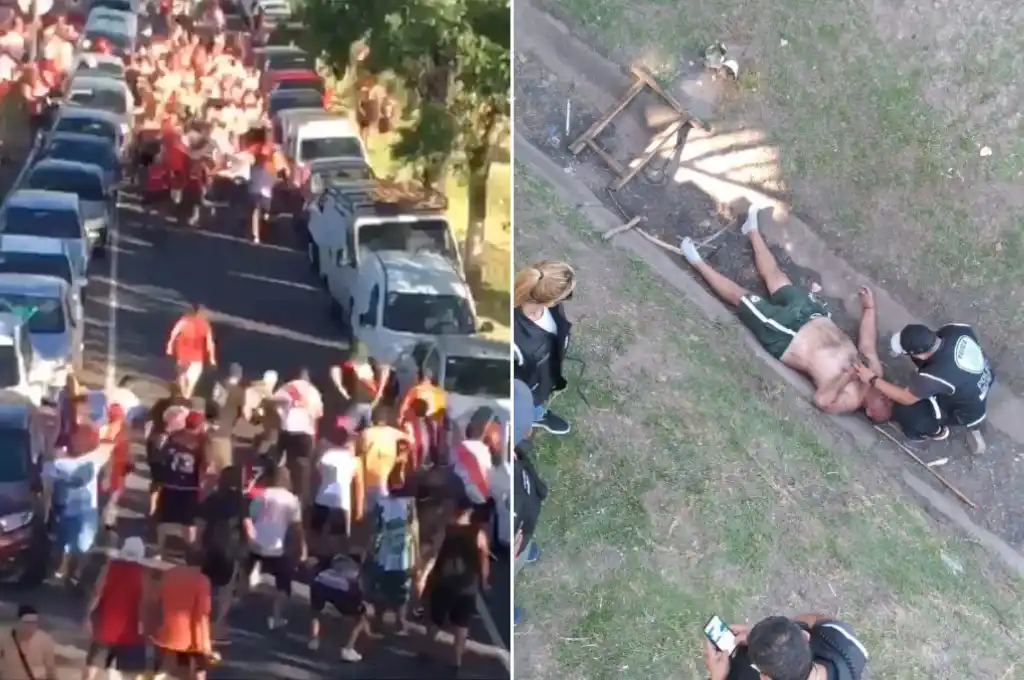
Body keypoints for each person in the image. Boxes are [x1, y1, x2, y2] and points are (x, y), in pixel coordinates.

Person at [680, 205, 893, 421]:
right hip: (811, 314)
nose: (887, 398)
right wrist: (869, 309)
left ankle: (696, 262)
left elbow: (822, 401)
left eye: (884, 404)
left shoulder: (851, 400)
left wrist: (847, 377)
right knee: (777, 277)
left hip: (787, 336)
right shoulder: (876, 371)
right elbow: (867, 344)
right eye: (889, 399)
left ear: (870, 412)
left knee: (741, 298)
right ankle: (751, 231)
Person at [853, 323, 994, 454]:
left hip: (965, 412)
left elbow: (906, 398)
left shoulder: (937, 375)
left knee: (906, 411)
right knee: (929, 383)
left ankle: (935, 431)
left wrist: (872, 379)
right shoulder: (956, 329)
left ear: (919, 353)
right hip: (982, 377)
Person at [417, 493, 490, 669]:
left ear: (456, 509)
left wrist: (423, 573)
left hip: (444, 583)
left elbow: (434, 553)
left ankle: (427, 650)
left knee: (435, 619)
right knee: (461, 624)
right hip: (467, 585)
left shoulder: (445, 530)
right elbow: (484, 558)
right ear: (470, 511)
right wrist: (485, 581)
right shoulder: (478, 533)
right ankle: (456, 660)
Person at [42, 397, 109, 584]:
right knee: (65, 545)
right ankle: (64, 572)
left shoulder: (88, 462)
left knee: (79, 546)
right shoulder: (59, 463)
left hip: (83, 512)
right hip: (67, 511)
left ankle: (73, 574)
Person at [704, 613, 868, 680]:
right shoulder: (848, 646)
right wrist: (768, 639)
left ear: (765, 678)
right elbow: (816, 619)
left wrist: (717, 677)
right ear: (804, 635)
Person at [513, 260, 575, 435]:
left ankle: (537, 413)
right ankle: (530, 417)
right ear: (549, 301)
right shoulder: (512, 338)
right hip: (526, 388)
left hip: (542, 378)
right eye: (567, 296)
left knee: (535, 403)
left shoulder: (550, 309)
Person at [244, 465, 307, 630]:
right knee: (283, 584)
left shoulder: (261, 495)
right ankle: (276, 616)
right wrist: (301, 547)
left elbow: (250, 517)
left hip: (256, 543)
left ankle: (240, 600)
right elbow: (296, 528)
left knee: (246, 571)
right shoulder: (292, 500)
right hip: (278, 547)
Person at [83, 536, 150, 680]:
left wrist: (88, 616)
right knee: (130, 674)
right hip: (130, 631)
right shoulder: (143, 574)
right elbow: (143, 604)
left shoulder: (109, 568)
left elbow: (97, 594)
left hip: (105, 626)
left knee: (93, 665)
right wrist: (145, 628)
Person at [364, 461, 418, 637]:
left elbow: (375, 529)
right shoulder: (410, 504)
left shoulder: (382, 503)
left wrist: (369, 549)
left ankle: (379, 621)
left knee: (382, 587)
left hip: (384, 554)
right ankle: (400, 623)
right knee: (402, 590)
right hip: (404, 554)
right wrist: (417, 555)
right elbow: (414, 529)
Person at [196, 466, 249, 638]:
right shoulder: (240, 501)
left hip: (210, 546)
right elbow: (248, 527)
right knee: (226, 590)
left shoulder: (212, 498)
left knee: (207, 587)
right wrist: (248, 544)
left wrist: (197, 544)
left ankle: (203, 620)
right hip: (231, 549)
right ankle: (218, 623)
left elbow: (200, 523)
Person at [151, 549, 215, 680]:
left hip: (165, 633)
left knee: (164, 666)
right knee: (199, 669)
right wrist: (205, 645)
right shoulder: (202, 580)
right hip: (190, 638)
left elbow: (157, 600)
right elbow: (202, 615)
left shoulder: (169, 574)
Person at [512, 380, 546, 626]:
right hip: (516, 535)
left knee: (525, 542)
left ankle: (527, 549)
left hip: (526, 518)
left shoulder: (515, 453)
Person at [155, 411, 209, 557]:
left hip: (170, 483)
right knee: (189, 524)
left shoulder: (175, 436)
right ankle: (190, 553)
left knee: (164, 521)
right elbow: (206, 466)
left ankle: (159, 550)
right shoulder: (201, 442)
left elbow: (160, 452)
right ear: (200, 425)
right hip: (189, 487)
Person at [307, 553, 371, 661]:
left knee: (316, 612)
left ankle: (314, 639)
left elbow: (314, 565)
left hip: (319, 582)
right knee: (361, 618)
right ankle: (348, 648)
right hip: (340, 590)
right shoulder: (357, 571)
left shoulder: (336, 560)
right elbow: (356, 590)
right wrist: (362, 605)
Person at [276, 368, 323, 507]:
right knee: (303, 469)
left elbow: (275, 405)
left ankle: (282, 496)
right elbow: (319, 413)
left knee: (283, 464)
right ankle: (300, 502)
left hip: (287, 431)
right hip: (305, 434)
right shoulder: (313, 391)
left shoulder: (286, 388)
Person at [311, 424, 358, 549]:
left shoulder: (326, 456)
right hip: (341, 502)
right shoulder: (352, 460)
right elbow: (354, 476)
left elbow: (318, 471)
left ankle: (316, 553)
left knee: (316, 532)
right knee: (339, 537)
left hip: (322, 497)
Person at [166, 304, 218, 399]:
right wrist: (212, 358)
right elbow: (210, 342)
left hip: (183, 353)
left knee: (182, 374)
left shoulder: (184, 321)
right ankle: (187, 396)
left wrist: (169, 346)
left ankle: (184, 393)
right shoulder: (205, 324)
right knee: (192, 379)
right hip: (197, 355)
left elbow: (174, 333)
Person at [0, 605, 58, 680]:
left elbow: (50, 670)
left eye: (34, 623)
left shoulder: (44, 640)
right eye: (27, 623)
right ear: (18, 622)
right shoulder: (4, 638)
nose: (31, 627)